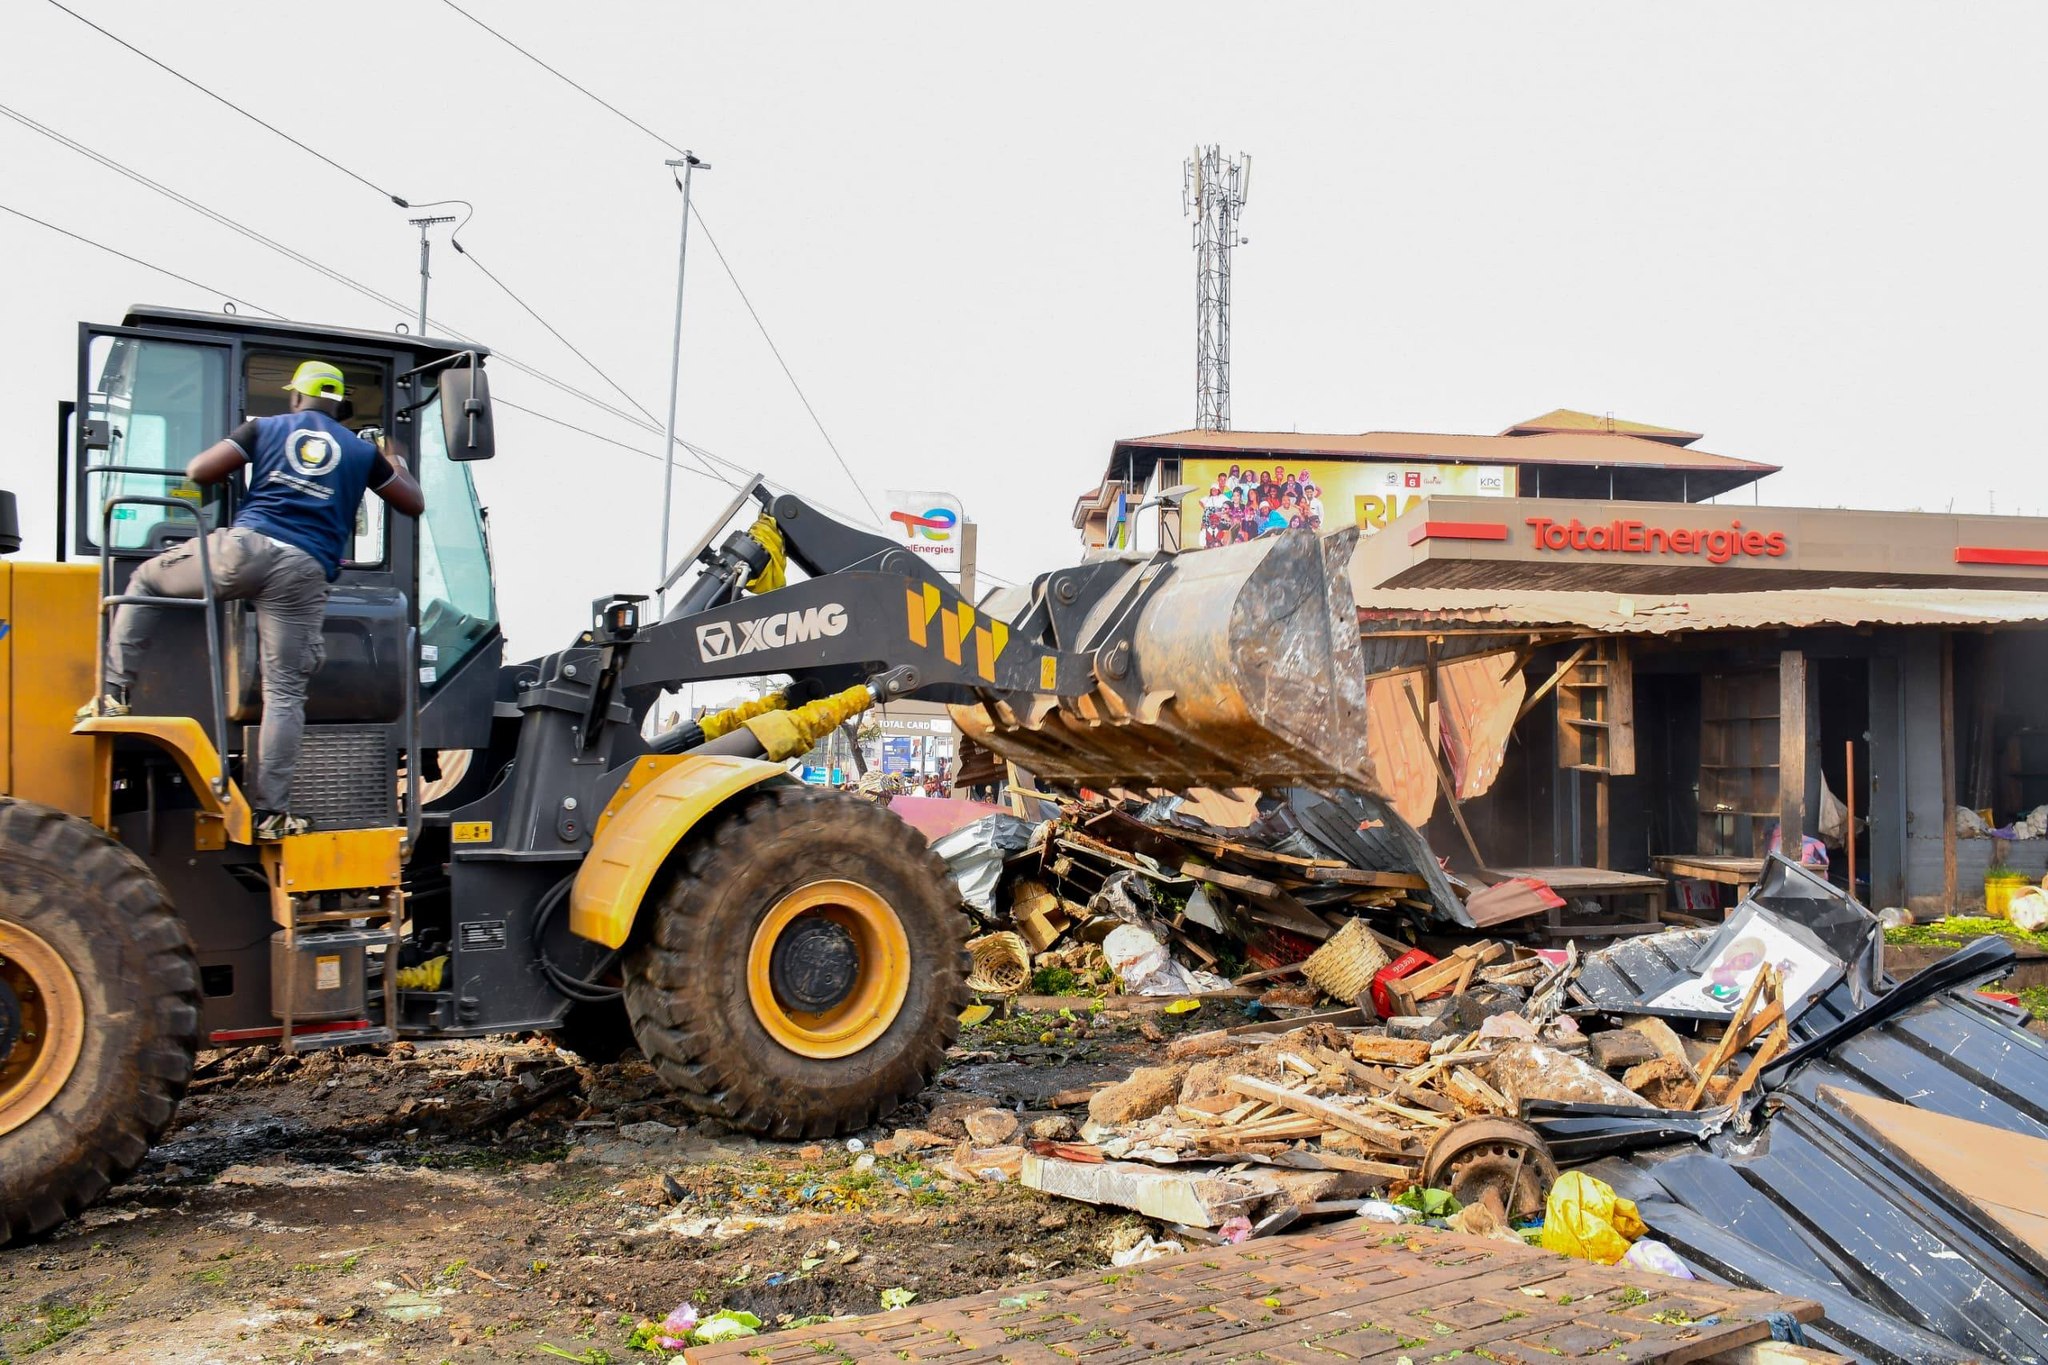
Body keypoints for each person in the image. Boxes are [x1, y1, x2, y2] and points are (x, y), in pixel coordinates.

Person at [82, 360, 426, 839]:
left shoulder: (264, 427)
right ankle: (270, 815)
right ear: (340, 406)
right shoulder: (360, 452)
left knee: (144, 580)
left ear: (295, 397)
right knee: (285, 695)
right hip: (304, 571)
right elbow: (412, 502)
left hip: (245, 551)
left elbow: (199, 471)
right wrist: (396, 458)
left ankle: (116, 695)